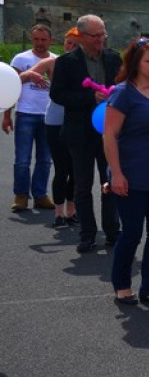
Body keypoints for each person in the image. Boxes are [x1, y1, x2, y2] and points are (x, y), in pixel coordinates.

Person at [102, 38, 149, 307]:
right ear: (136, 64)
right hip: (132, 177)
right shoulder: (123, 93)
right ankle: (122, 286)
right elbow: (109, 135)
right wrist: (116, 174)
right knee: (132, 234)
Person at [49, 14, 121, 253]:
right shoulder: (66, 62)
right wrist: (89, 97)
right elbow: (57, 95)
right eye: (95, 35)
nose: (101, 40)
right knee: (82, 185)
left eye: (103, 34)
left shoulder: (113, 58)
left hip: (109, 131)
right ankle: (87, 234)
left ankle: (112, 231)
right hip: (79, 133)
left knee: (110, 181)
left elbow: (124, 87)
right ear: (81, 36)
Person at [18, 28, 79, 227]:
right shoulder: (55, 62)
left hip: (78, 121)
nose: (70, 47)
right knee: (61, 168)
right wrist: (30, 75)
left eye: (75, 44)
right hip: (55, 120)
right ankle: (59, 214)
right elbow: (25, 74)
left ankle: (72, 211)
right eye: (68, 43)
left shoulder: (87, 65)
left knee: (76, 170)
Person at [5, 24, 56, 212]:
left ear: (51, 41)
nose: (40, 43)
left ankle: (40, 195)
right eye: (36, 39)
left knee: (45, 159)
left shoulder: (56, 60)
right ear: (31, 39)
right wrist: (6, 116)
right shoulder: (21, 59)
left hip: (49, 116)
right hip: (26, 114)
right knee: (23, 159)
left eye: (44, 39)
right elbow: (9, 87)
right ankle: (21, 195)